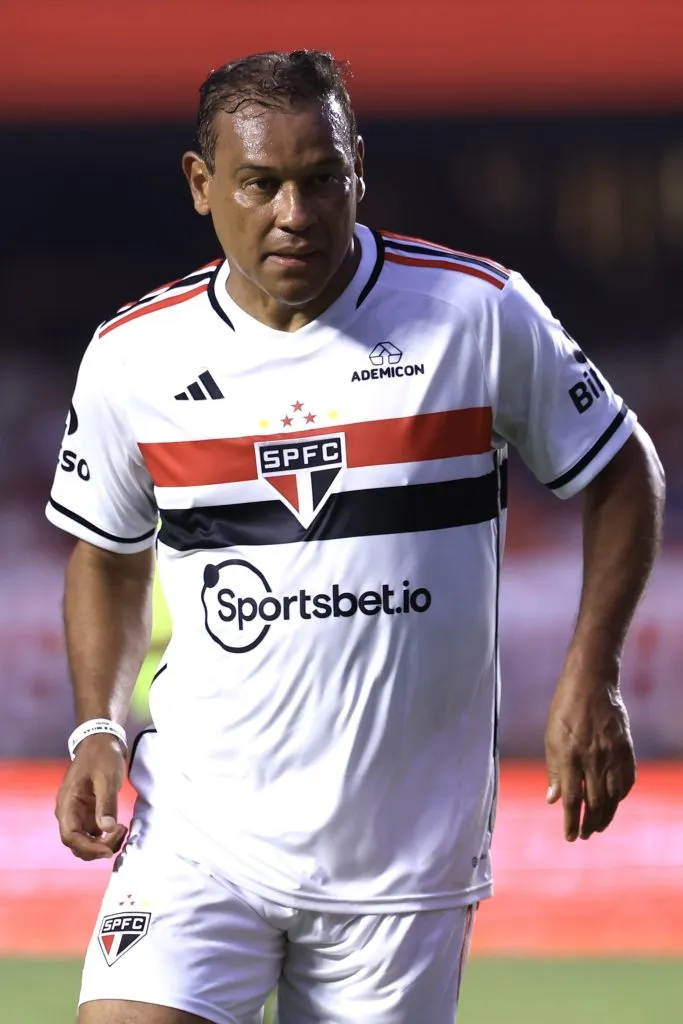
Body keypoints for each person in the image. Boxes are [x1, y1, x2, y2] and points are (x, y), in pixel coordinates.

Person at [46, 49, 665, 1024]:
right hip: (199, 833)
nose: (294, 211)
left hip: (399, 865)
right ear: (201, 185)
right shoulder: (135, 358)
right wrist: (95, 725)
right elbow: (107, 551)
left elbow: (621, 470)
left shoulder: (474, 312)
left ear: (357, 169)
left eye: (320, 178)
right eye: (260, 183)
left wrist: (591, 674)